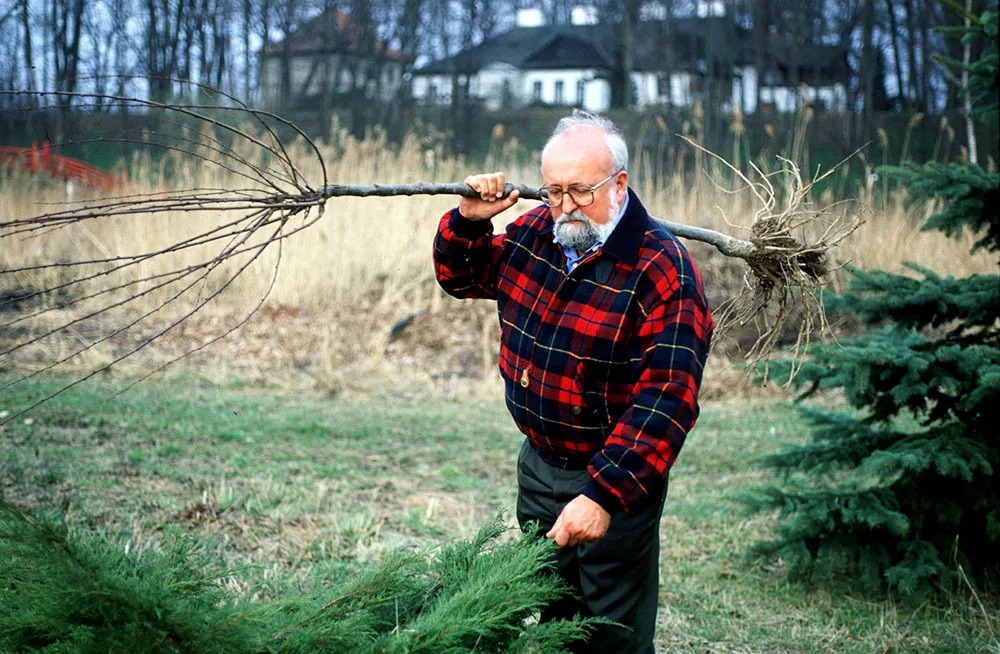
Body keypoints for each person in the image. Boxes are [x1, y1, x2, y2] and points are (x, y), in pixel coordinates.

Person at [433, 110, 713, 653]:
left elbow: (668, 399)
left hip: (612, 478)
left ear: (619, 184)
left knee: (609, 631)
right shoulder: (538, 232)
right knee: (555, 617)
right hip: (539, 466)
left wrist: (603, 495)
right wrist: (469, 221)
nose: (564, 206)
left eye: (580, 192)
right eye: (553, 190)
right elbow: (462, 277)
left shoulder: (662, 268)